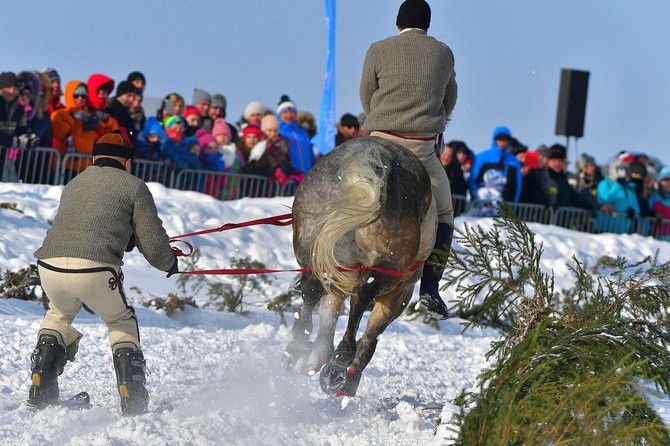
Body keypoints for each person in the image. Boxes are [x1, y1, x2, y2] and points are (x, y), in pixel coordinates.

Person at [28, 130, 178, 415]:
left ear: (95, 157)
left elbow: (89, 223)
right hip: (95, 269)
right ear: (127, 163)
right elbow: (153, 242)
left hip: (49, 266)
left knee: (58, 315)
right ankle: (132, 397)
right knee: (120, 319)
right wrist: (168, 262)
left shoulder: (75, 182)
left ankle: (40, 387)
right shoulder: (134, 186)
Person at [359, 0, 457, 319]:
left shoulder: (377, 48)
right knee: (444, 211)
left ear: (397, 23)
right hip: (420, 149)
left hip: (379, 143)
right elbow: (449, 98)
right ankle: (430, 287)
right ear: (427, 25)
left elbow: (366, 94)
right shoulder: (443, 53)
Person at [468, 126, 523, 205]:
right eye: (500, 139)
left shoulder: (514, 162)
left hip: (503, 208)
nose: (502, 142)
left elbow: (517, 186)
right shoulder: (482, 157)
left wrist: (513, 205)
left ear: (509, 141)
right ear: (495, 140)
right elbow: (472, 179)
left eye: (505, 139)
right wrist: (475, 197)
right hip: (480, 204)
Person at [277, 95, 317, 173]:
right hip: (291, 177)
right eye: (285, 112)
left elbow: (311, 154)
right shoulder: (279, 132)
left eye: (291, 112)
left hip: (307, 176)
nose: (289, 115)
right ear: (279, 115)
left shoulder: (303, 133)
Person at [648, 166, 670, 240]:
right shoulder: (654, 196)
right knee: (657, 251)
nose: (668, 184)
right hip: (656, 235)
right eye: (665, 180)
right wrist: (655, 214)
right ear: (660, 182)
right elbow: (649, 209)